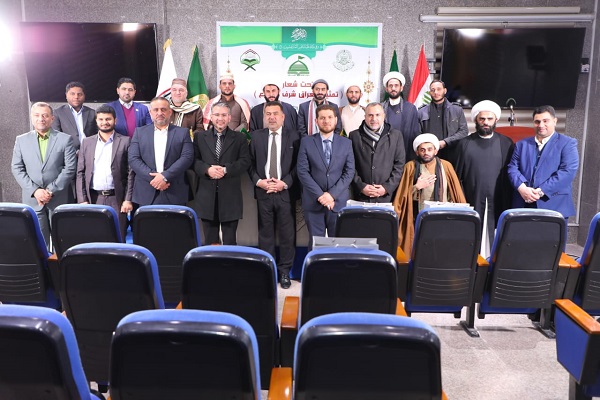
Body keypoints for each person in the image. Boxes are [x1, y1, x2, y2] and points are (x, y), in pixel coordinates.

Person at [248, 101, 300, 288]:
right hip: (264, 191)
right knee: (265, 234)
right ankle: (268, 271)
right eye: (268, 114)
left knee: (287, 235)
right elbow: (249, 163)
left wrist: (284, 183)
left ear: (283, 116)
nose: (271, 117)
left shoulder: (295, 136)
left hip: (285, 192)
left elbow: (299, 165)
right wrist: (259, 182)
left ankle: (285, 272)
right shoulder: (256, 136)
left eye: (275, 113)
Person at [11, 102, 77, 250]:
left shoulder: (65, 139)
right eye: (37, 115)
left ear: (52, 118)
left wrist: (50, 191)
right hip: (33, 199)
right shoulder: (21, 140)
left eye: (45, 115)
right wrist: (35, 191)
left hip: (59, 198)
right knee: (39, 244)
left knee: (63, 242)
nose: (41, 119)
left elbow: (70, 168)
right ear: (32, 117)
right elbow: (17, 168)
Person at [455, 100, 514, 254]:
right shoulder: (464, 144)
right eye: (482, 119)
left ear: (496, 120)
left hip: (498, 198)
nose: (486, 122)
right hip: (471, 197)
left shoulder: (506, 143)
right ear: (476, 120)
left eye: (489, 119)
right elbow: (457, 176)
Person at [393, 133, 466, 255]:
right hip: (417, 217)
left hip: (442, 217)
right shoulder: (410, 167)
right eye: (422, 150)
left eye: (429, 149)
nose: (426, 153)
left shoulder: (446, 166)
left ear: (435, 151)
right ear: (417, 152)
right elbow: (402, 196)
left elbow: (455, 192)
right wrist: (417, 187)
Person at [297, 104, 355, 249]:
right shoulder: (306, 142)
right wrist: (321, 196)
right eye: (322, 118)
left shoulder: (346, 143)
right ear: (316, 121)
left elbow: (349, 172)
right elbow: (303, 172)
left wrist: (331, 195)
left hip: (338, 202)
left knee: (338, 246)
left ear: (336, 120)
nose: (326, 121)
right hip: (313, 202)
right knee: (316, 245)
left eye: (330, 117)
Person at [507, 105, 579, 222]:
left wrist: (540, 191)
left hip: (553, 205)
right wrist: (522, 188)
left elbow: (567, 172)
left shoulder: (567, 143)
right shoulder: (521, 144)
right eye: (537, 121)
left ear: (555, 121)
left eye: (545, 121)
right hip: (523, 204)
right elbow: (512, 168)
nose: (541, 125)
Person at [194, 102, 251, 245]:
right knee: (210, 242)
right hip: (207, 197)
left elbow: (245, 161)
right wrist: (207, 170)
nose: (220, 118)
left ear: (229, 117)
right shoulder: (200, 137)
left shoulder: (240, 138)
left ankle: (229, 261)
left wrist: (225, 170)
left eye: (224, 115)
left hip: (230, 197)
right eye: (217, 115)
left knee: (230, 242)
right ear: (211, 117)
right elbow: (194, 161)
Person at [76, 105, 134, 240]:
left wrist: (127, 199)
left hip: (117, 199)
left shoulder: (125, 141)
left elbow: (131, 173)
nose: (104, 122)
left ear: (115, 120)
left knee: (118, 238)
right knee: (95, 238)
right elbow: (80, 172)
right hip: (93, 198)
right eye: (101, 119)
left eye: (108, 119)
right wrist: (82, 199)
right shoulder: (87, 142)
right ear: (96, 121)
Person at [128, 97, 194, 206]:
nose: (159, 113)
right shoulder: (139, 133)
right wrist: (155, 179)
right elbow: (133, 159)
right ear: (150, 112)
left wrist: (165, 176)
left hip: (175, 191)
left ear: (170, 112)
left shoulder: (182, 133)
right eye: (156, 110)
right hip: (146, 192)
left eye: (163, 109)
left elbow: (187, 158)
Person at [349, 102, 405, 203]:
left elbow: (399, 165)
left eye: (377, 115)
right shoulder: (354, 136)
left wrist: (386, 188)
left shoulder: (396, 136)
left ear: (384, 116)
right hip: (361, 196)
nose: (374, 119)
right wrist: (361, 186)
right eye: (370, 115)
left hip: (387, 197)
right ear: (365, 117)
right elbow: (350, 165)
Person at [418, 79, 468, 163]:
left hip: (452, 153)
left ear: (445, 90)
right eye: (433, 90)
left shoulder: (457, 110)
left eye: (439, 89)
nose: (436, 92)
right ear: (430, 93)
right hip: (429, 155)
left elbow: (464, 131)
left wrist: (445, 142)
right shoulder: (421, 112)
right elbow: (418, 134)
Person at [381, 72, 420, 162]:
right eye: (390, 86)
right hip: (384, 154)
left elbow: (414, 133)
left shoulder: (410, 108)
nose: (393, 88)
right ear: (386, 89)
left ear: (401, 88)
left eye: (396, 85)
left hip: (405, 153)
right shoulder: (380, 108)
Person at [51, 81, 96, 151]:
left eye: (79, 94)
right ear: (66, 95)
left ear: (84, 96)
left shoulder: (92, 113)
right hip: (69, 152)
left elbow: (97, 134)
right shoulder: (58, 113)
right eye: (72, 94)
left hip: (90, 151)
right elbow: (56, 137)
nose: (76, 97)